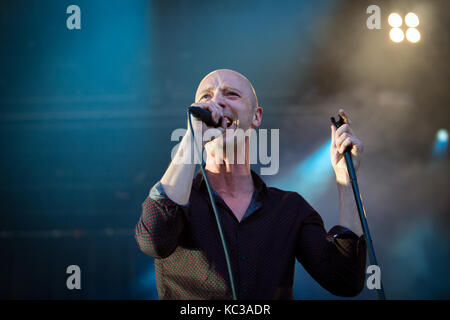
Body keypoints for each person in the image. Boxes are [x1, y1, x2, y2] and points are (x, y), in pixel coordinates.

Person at [135, 69, 367, 299]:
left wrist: (345, 179)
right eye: (206, 96)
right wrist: (192, 137)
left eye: (231, 94)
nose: (216, 101)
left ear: (256, 116)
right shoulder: (179, 199)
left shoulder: (288, 208)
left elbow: (345, 280)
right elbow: (153, 241)